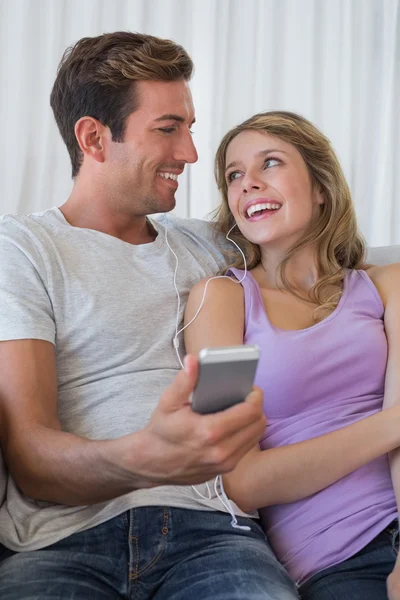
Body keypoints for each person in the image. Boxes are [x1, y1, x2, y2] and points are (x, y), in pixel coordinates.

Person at [0, 34, 299, 599]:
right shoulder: (25, 249)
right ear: (93, 138)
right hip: (60, 542)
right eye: (167, 129)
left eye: (189, 127)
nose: (189, 154)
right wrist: (142, 457)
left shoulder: (217, 249)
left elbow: (325, 258)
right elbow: (31, 454)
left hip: (212, 534)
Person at [184, 110, 400, 600]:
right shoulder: (223, 301)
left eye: (270, 163)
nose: (248, 184)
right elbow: (242, 480)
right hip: (336, 557)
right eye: (234, 175)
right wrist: (389, 426)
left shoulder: (387, 287)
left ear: (320, 187)